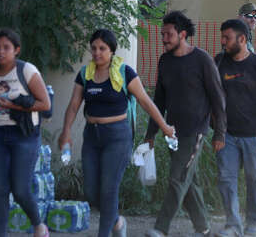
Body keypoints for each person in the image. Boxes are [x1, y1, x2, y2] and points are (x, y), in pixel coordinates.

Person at [58, 29, 175, 237]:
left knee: (109, 190)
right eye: (93, 48)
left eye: (102, 48)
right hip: (92, 137)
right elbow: (74, 106)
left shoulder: (124, 72)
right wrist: (66, 132)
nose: (97, 52)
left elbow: (146, 102)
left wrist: (164, 127)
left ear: (111, 50)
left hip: (118, 137)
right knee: (92, 192)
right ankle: (117, 221)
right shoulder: (85, 74)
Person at [144, 11, 226, 237]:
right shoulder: (165, 61)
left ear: (182, 34)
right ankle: (204, 228)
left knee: (177, 178)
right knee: (188, 182)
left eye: (168, 34)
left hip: (195, 132)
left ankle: (161, 228)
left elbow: (218, 98)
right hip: (172, 133)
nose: (164, 38)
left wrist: (220, 132)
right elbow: (158, 100)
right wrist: (151, 132)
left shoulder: (202, 59)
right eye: (162, 34)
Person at [0, 29, 51, 237]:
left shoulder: (26, 70)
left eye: (6, 48)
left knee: (20, 189)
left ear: (16, 50)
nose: (0, 52)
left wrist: (15, 106)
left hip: (24, 134)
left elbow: (45, 104)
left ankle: (38, 225)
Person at [213, 19, 256, 237]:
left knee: (255, 178)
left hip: (254, 134)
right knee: (226, 179)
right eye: (222, 37)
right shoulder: (219, 61)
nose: (222, 42)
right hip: (226, 134)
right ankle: (232, 224)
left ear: (242, 39)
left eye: (226, 38)